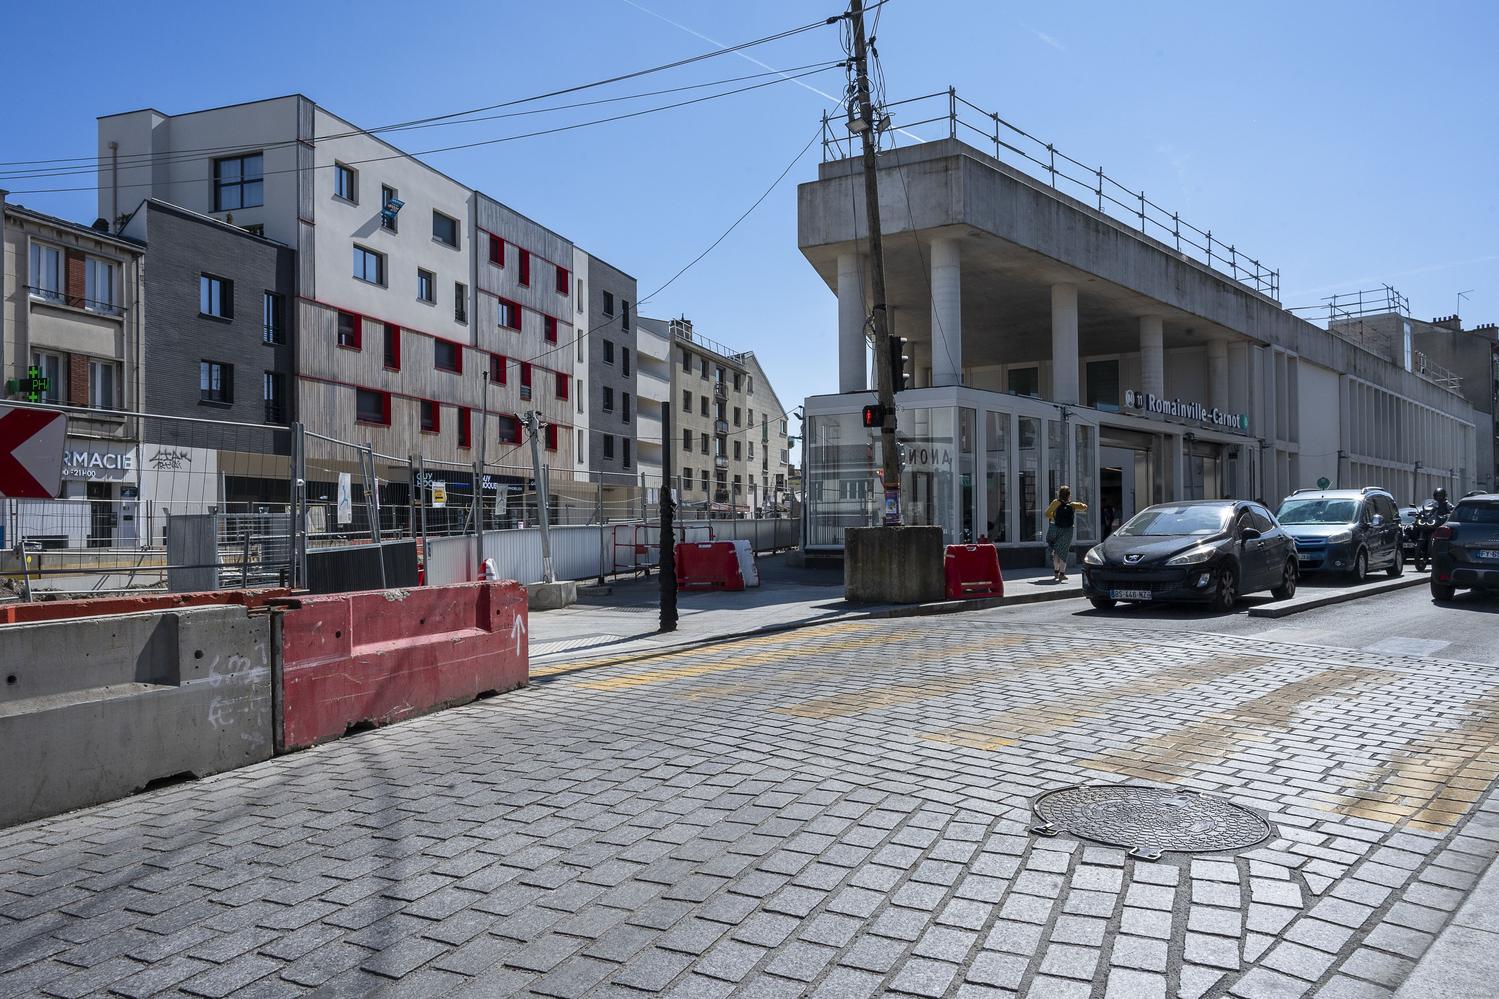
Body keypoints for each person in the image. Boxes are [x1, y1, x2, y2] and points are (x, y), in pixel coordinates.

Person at [1044, 485, 1089, 582]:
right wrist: (1076, 504)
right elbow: (1085, 507)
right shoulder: (1072, 505)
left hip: (1055, 528)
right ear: (1069, 495)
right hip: (1068, 530)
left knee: (1056, 551)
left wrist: (1055, 517)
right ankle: (1062, 574)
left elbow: (1047, 513)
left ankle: (1056, 573)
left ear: (1059, 494)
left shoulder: (1055, 502)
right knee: (1063, 552)